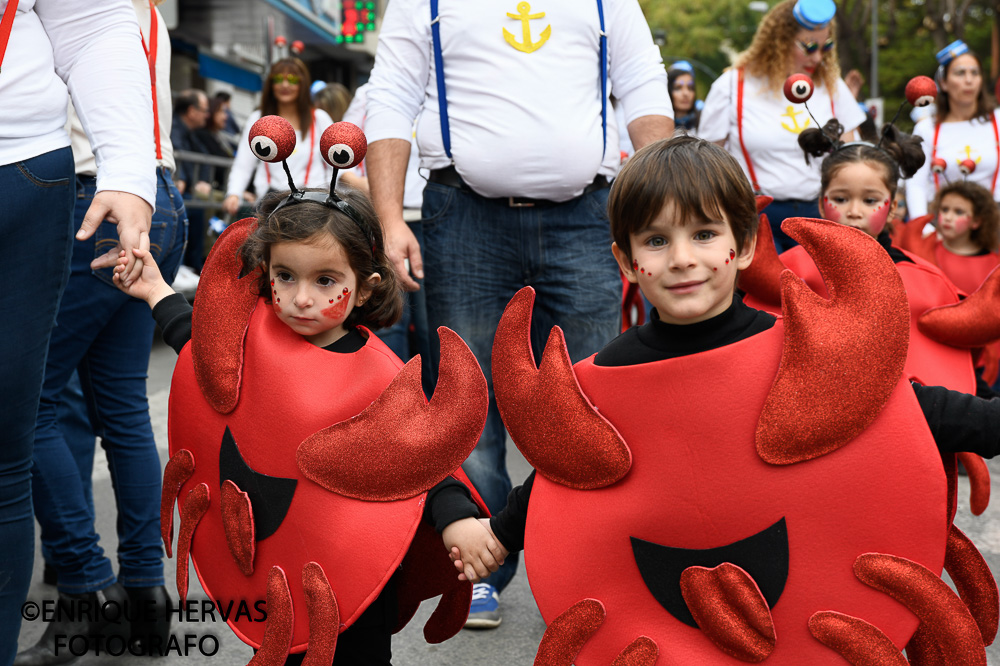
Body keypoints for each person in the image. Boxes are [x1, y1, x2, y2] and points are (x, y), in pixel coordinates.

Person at [448, 136, 1000, 663]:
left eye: (705, 234)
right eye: (657, 240)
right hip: (665, 630)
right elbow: (567, 480)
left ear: (746, 245)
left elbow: (901, 408)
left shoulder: (800, 349)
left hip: (810, 628)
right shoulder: (602, 378)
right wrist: (495, 534)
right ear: (626, 260)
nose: (683, 258)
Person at [365, 0, 674, 627]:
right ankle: (480, 568)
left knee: (593, 398)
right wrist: (391, 218)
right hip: (464, 214)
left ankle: (597, 564)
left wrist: (658, 213)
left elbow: (641, 85)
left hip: (588, 215)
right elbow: (393, 94)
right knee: (469, 397)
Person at [14, 1, 186, 661]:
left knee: (29, 401)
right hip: (155, 193)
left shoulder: (78, 9)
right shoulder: (137, 9)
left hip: (91, 198)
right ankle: (145, 592)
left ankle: (88, 588)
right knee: (121, 408)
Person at [700, 0, 866, 251]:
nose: (818, 57)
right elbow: (709, 164)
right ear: (777, 41)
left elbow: (853, 156)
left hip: (819, 215)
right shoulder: (733, 85)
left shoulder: (833, 86)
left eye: (826, 47)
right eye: (809, 47)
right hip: (756, 217)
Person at [223, 58, 334, 217]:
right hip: (270, 205)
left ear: (303, 84)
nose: (285, 85)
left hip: (312, 206)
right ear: (271, 84)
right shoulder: (258, 119)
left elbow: (334, 165)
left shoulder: (319, 119)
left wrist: (327, 195)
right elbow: (243, 163)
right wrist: (234, 193)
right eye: (278, 79)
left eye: (293, 79)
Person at [907, 41, 1000, 218]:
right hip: (943, 227)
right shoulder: (927, 128)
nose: (969, 80)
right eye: (960, 73)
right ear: (943, 83)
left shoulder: (998, 121)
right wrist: (922, 228)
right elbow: (915, 184)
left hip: (992, 226)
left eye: (975, 73)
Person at [668, 61, 700, 135]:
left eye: (690, 88)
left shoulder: (703, 121)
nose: (686, 93)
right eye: (678, 88)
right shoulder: (660, 123)